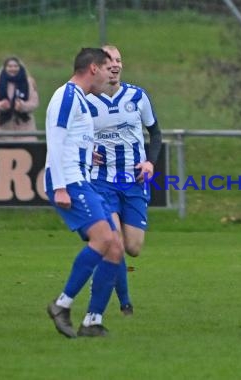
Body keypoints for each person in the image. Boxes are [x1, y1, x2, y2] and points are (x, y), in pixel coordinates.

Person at [45, 47, 124, 338]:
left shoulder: (80, 99)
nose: (110, 73)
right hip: (70, 181)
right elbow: (55, 139)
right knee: (103, 238)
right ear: (93, 68)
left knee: (115, 246)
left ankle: (92, 321)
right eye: (106, 68)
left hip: (82, 178)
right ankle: (61, 304)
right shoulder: (66, 96)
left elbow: (71, 139)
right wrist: (60, 187)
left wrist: (87, 154)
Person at [87, 45, 162, 316]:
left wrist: (150, 161)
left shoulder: (137, 96)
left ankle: (106, 276)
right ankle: (125, 303)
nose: (115, 65)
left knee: (133, 248)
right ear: (97, 67)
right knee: (113, 241)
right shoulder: (85, 99)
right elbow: (67, 137)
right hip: (100, 181)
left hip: (133, 180)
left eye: (119, 60)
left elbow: (155, 133)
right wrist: (85, 152)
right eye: (109, 61)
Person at [0, 57, 39, 141]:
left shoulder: (28, 82)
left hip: (25, 130)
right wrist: (1, 106)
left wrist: (22, 106)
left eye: (15, 66)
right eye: (10, 66)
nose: (13, 68)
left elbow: (34, 102)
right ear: (5, 67)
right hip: (3, 131)